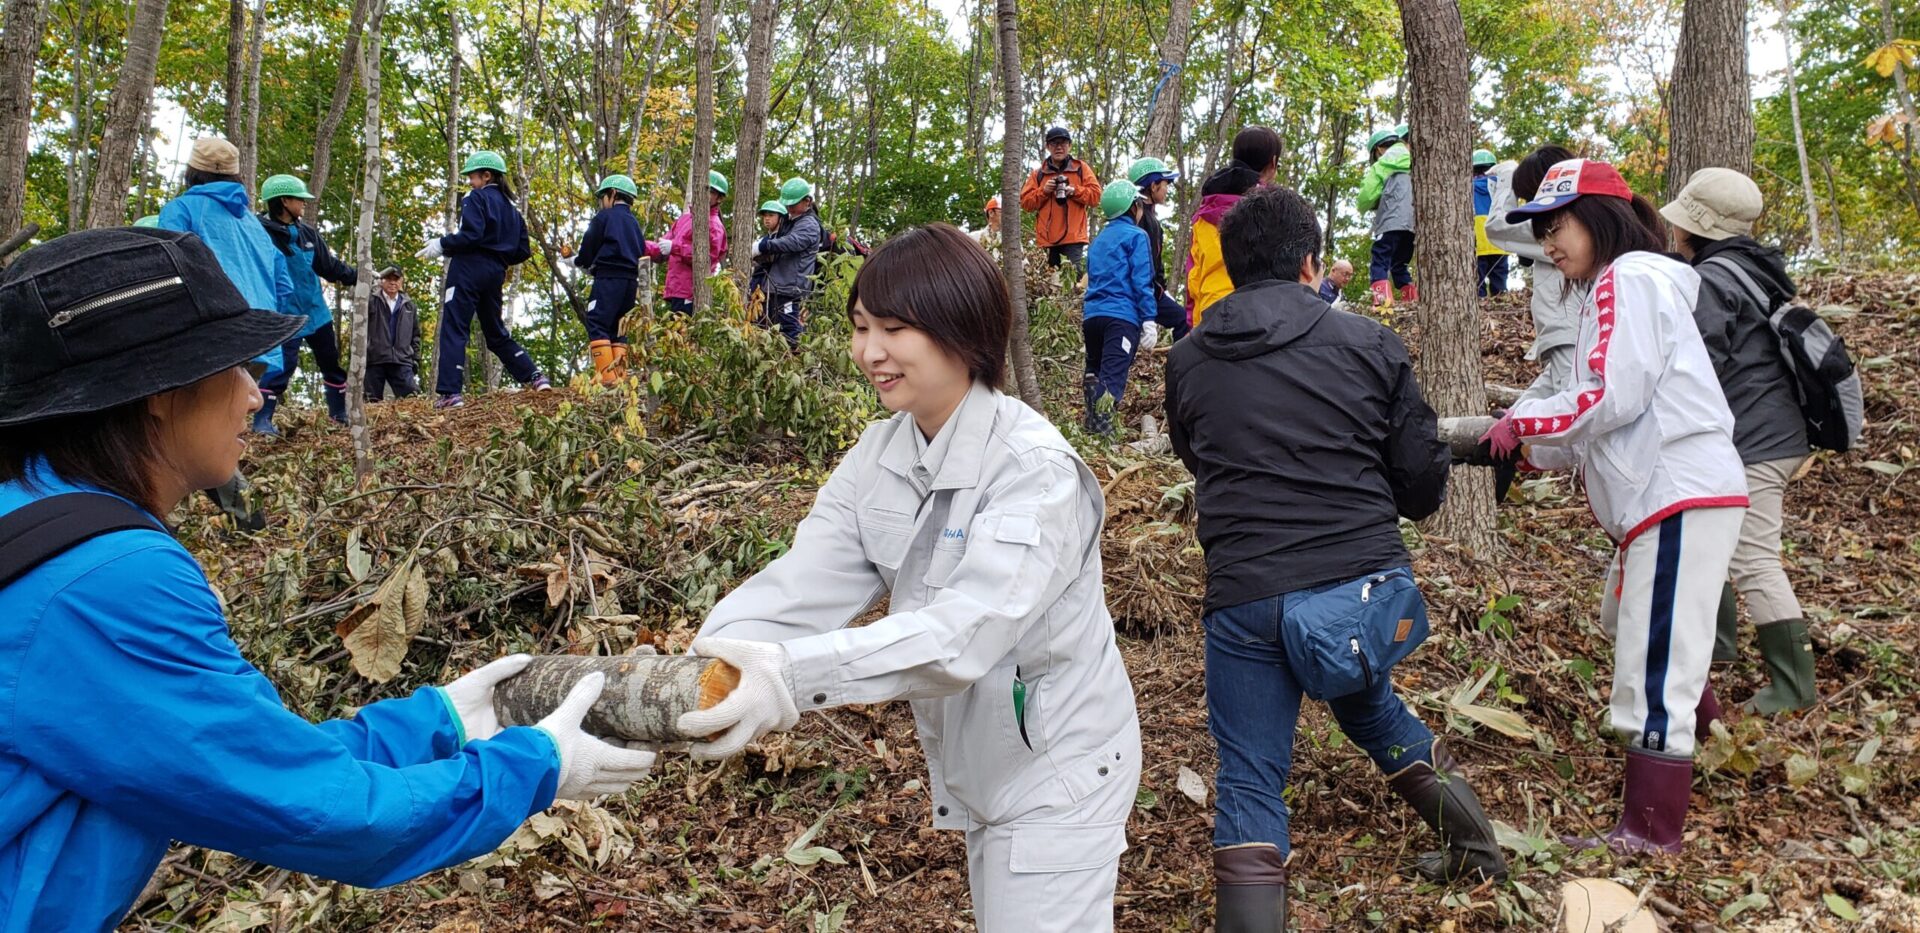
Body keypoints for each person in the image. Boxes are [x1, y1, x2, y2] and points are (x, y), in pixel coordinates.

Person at [0, 227, 659, 930]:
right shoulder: (108, 579)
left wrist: (438, 721)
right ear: (159, 391)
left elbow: (245, 757)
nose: (255, 395)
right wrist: (537, 767)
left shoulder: (39, 528)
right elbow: (317, 809)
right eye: (236, 366)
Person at [676, 224, 1140, 932]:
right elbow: (802, 584)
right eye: (862, 327)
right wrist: (700, 668)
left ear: (963, 332)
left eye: (894, 328)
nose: (870, 352)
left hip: (1061, 766)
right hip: (985, 762)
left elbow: (963, 635)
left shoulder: (1034, 471)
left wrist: (789, 678)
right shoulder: (880, 450)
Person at [1164, 187, 1507, 930]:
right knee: (1372, 702)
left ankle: (1473, 851)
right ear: (1312, 262)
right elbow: (1418, 485)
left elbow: (1198, 455)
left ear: (1229, 262)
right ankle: (1477, 848)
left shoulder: (1189, 359)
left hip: (1247, 591)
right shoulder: (1368, 343)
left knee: (1251, 777)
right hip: (1356, 588)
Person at [1482, 158, 1748, 853]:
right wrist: (1536, 447)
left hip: (1677, 490)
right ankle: (1718, 750)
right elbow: (1606, 420)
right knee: (1636, 627)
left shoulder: (1627, 279)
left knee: (1652, 660)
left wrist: (1524, 422)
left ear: (1601, 216)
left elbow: (1608, 396)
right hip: (1669, 493)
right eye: (1540, 232)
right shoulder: (1625, 284)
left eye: (1558, 225)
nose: (1549, 245)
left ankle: (1650, 833)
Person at [1663, 167, 1817, 715]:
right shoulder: (1756, 269)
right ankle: (1718, 648)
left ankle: (1794, 686)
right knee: (1717, 539)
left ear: (1696, 226)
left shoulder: (1715, 279)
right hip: (1769, 430)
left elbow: (1698, 361)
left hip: (1758, 436)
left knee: (1753, 555)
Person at [156, 137, 297, 386]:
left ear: (192, 171)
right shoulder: (254, 224)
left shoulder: (181, 210)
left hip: (211, 338)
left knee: (200, 420)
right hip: (259, 339)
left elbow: (167, 269)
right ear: (235, 174)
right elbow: (284, 286)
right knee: (231, 418)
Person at [417, 150, 550, 408]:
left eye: (473, 177)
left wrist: (443, 243)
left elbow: (471, 235)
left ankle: (450, 393)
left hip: (468, 269)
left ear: (487, 176)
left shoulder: (476, 198)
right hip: (495, 273)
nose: (469, 182)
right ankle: (534, 376)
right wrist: (499, 259)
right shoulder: (513, 212)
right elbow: (523, 250)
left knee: (455, 325)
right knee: (495, 331)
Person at [256, 174, 356, 432]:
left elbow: (329, 266)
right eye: (300, 200)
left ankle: (339, 414)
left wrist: (360, 276)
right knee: (280, 367)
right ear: (284, 201)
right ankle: (262, 420)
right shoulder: (258, 232)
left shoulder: (306, 233)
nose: (304, 204)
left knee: (331, 362)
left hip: (316, 312)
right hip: (283, 315)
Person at [1486, 145, 1581, 403]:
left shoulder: (1560, 225)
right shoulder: (1575, 224)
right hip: (1564, 339)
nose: (1549, 246)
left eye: (1528, 197)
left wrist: (1506, 178)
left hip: (1568, 336)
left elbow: (1498, 228)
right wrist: (1518, 413)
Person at [1081, 185, 1156, 437]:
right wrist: (1148, 319)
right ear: (1132, 207)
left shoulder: (1098, 240)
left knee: (1094, 372)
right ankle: (1103, 436)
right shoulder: (1136, 236)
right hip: (1120, 318)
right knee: (1111, 379)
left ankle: (1091, 432)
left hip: (1092, 317)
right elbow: (1141, 279)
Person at [1186, 126, 1281, 326]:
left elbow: (1194, 276)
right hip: (1256, 317)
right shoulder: (1273, 210)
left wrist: (1193, 328)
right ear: (1273, 162)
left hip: (1209, 315)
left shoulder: (1204, 213)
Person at [571, 174, 646, 385]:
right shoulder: (634, 223)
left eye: (603, 197)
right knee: (619, 328)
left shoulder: (605, 217)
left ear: (612, 194)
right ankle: (620, 378)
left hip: (608, 278)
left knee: (597, 321)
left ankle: (606, 378)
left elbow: (589, 244)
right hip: (630, 282)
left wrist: (580, 262)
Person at [752, 177, 824, 348]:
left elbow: (792, 242)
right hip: (776, 285)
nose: (789, 208)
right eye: (787, 205)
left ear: (807, 201)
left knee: (790, 329)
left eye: (793, 204)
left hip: (790, 288)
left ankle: (796, 364)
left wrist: (764, 246)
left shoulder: (809, 224)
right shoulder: (792, 221)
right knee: (766, 325)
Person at [1017, 126, 1103, 268]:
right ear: (1047, 147)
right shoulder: (1039, 174)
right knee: (1048, 285)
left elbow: (1096, 196)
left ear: (1069, 145)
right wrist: (1044, 191)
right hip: (1047, 241)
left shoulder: (1080, 168)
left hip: (1073, 239)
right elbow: (1025, 203)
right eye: (1054, 144)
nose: (1059, 148)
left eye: (1063, 143)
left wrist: (1074, 191)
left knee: (1072, 282)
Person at [648, 170, 729, 317]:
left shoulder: (714, 226)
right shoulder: (685, 219)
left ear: (719, 198)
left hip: (691, 293)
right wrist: (637, 245)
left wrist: (675, 248)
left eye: (710, 191)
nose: (705, 194)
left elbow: (706, 258)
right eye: (703, 189)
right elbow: (660, 246)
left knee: (684, 335)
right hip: (676, 289)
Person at [1128, 156, 1188, 345]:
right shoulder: (1147, 221)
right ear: (1153, 186)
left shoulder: (1136, 216)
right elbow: (1148, 264)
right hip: (1144, 292)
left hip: (1139, 290)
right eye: (1165, 184)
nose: (1167, 189)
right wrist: (1156, 294)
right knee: (1183, 320)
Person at [1358, 125, 1415, 309]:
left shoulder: (1383, 163)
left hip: (1391, 221)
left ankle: (1382, 301)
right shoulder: (1414, 159)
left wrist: (1367, 205)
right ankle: (1412, 299)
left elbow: (1366, 196)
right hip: (1413, 224)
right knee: (1400, 263)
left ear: (1379, 149)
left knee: (1380, 257)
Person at [366, 266, 421, 401]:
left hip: (402, 360)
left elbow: (415, 334)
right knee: (370, 402)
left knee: (412, 399)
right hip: (375, 359)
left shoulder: (409, 305)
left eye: (396, 279)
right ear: (381, 281)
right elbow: (352, 295)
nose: (392, 283)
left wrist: (415, 359)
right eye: (388, 279)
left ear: (401, 281)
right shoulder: (371, 301)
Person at [1471, 150, 1509, 297]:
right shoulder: (1503, 188)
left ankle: (1480, 314)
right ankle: (1502, 310)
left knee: (1477, 285)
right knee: (1500, 287)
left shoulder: (1466, 188)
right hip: (1499, 241)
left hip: (1477, 243)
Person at [746, 199, 785, 317]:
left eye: (771, 215)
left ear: (781, 218)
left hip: (775, 289)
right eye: (765, 216)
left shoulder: (782, 239)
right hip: (758, 285)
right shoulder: (763, 239)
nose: (767, 218)